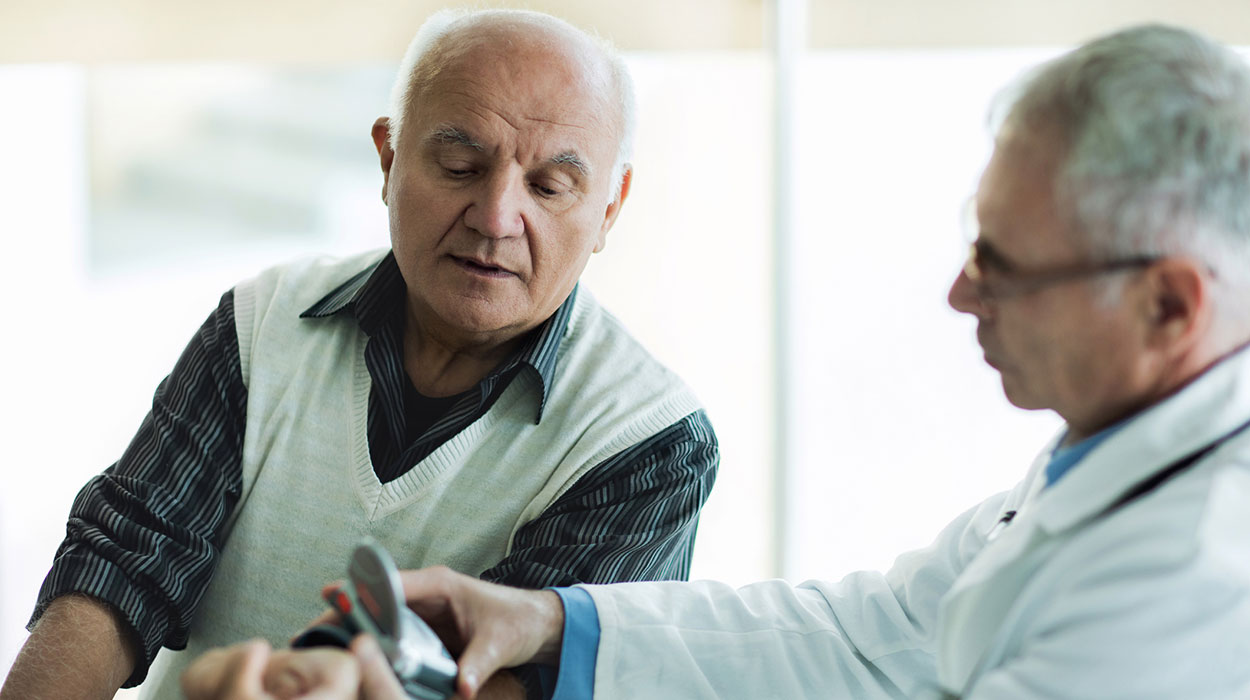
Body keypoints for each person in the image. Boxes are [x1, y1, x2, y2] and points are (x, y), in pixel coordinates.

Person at [183, 22, 1250, 700]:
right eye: (457, 160)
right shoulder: (1106, 461)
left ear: (1167, 304)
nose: (958, 292)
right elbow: (871, 633)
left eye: (1003, 265)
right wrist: (552, 618)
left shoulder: (1199, 578)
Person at [0, 8, 721, 700]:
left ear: (611, 209)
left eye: (549, 186)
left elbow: (520, 681)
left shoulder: (649, 442)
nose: (498, 218)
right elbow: (122, 565)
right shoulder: (263, 324)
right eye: (461, 164)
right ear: (387, 157)